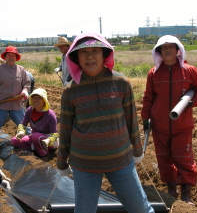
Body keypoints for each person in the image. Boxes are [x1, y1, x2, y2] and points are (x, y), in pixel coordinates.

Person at [56, 32, 154, 213]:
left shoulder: (121, 83)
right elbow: (65, 128)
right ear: (76, 57)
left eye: (95, 51)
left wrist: (137, 150)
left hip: (120, 160)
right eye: (84, 52)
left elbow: (131, 119)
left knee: (140, 208)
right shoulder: (70, 90)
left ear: (104, 54)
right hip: (85, 163)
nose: (90, 56)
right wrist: (62, 161)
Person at [141, 35, 197, 206]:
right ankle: (171, 190)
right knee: (164, 159)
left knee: (183, 158)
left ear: (178, 50)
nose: (168, 50)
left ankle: (186, 194)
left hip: (182, 125)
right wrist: (145, 117)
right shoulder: (154, 73)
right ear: (159, 52)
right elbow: (148, 96)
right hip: (160, 124)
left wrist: (192, 102)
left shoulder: (190, 71)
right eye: (164, 48)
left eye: (171, 47)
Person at [0, 46, 31, 154]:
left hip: (16, 104)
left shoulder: (21, 69)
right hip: (1, 104)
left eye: (13, 55)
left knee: (23, 126)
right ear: (5, 57)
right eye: (8, 55)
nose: (11, 57)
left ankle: (30, 144)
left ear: (16, 57)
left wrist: (24, 91)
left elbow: (27, 84)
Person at [10, 88, 58, 157]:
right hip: (34, 138)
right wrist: (21, 131)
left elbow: (54, 134)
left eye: (39, 98)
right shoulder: (30, 110)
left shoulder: (50, 114)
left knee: (35, 136)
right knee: (14, 141)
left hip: (48, 142)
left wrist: (48, 140)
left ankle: (44, 155)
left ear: (44, 100)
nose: (36, 100)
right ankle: (34, 151)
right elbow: (23, 124)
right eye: (34, 98)